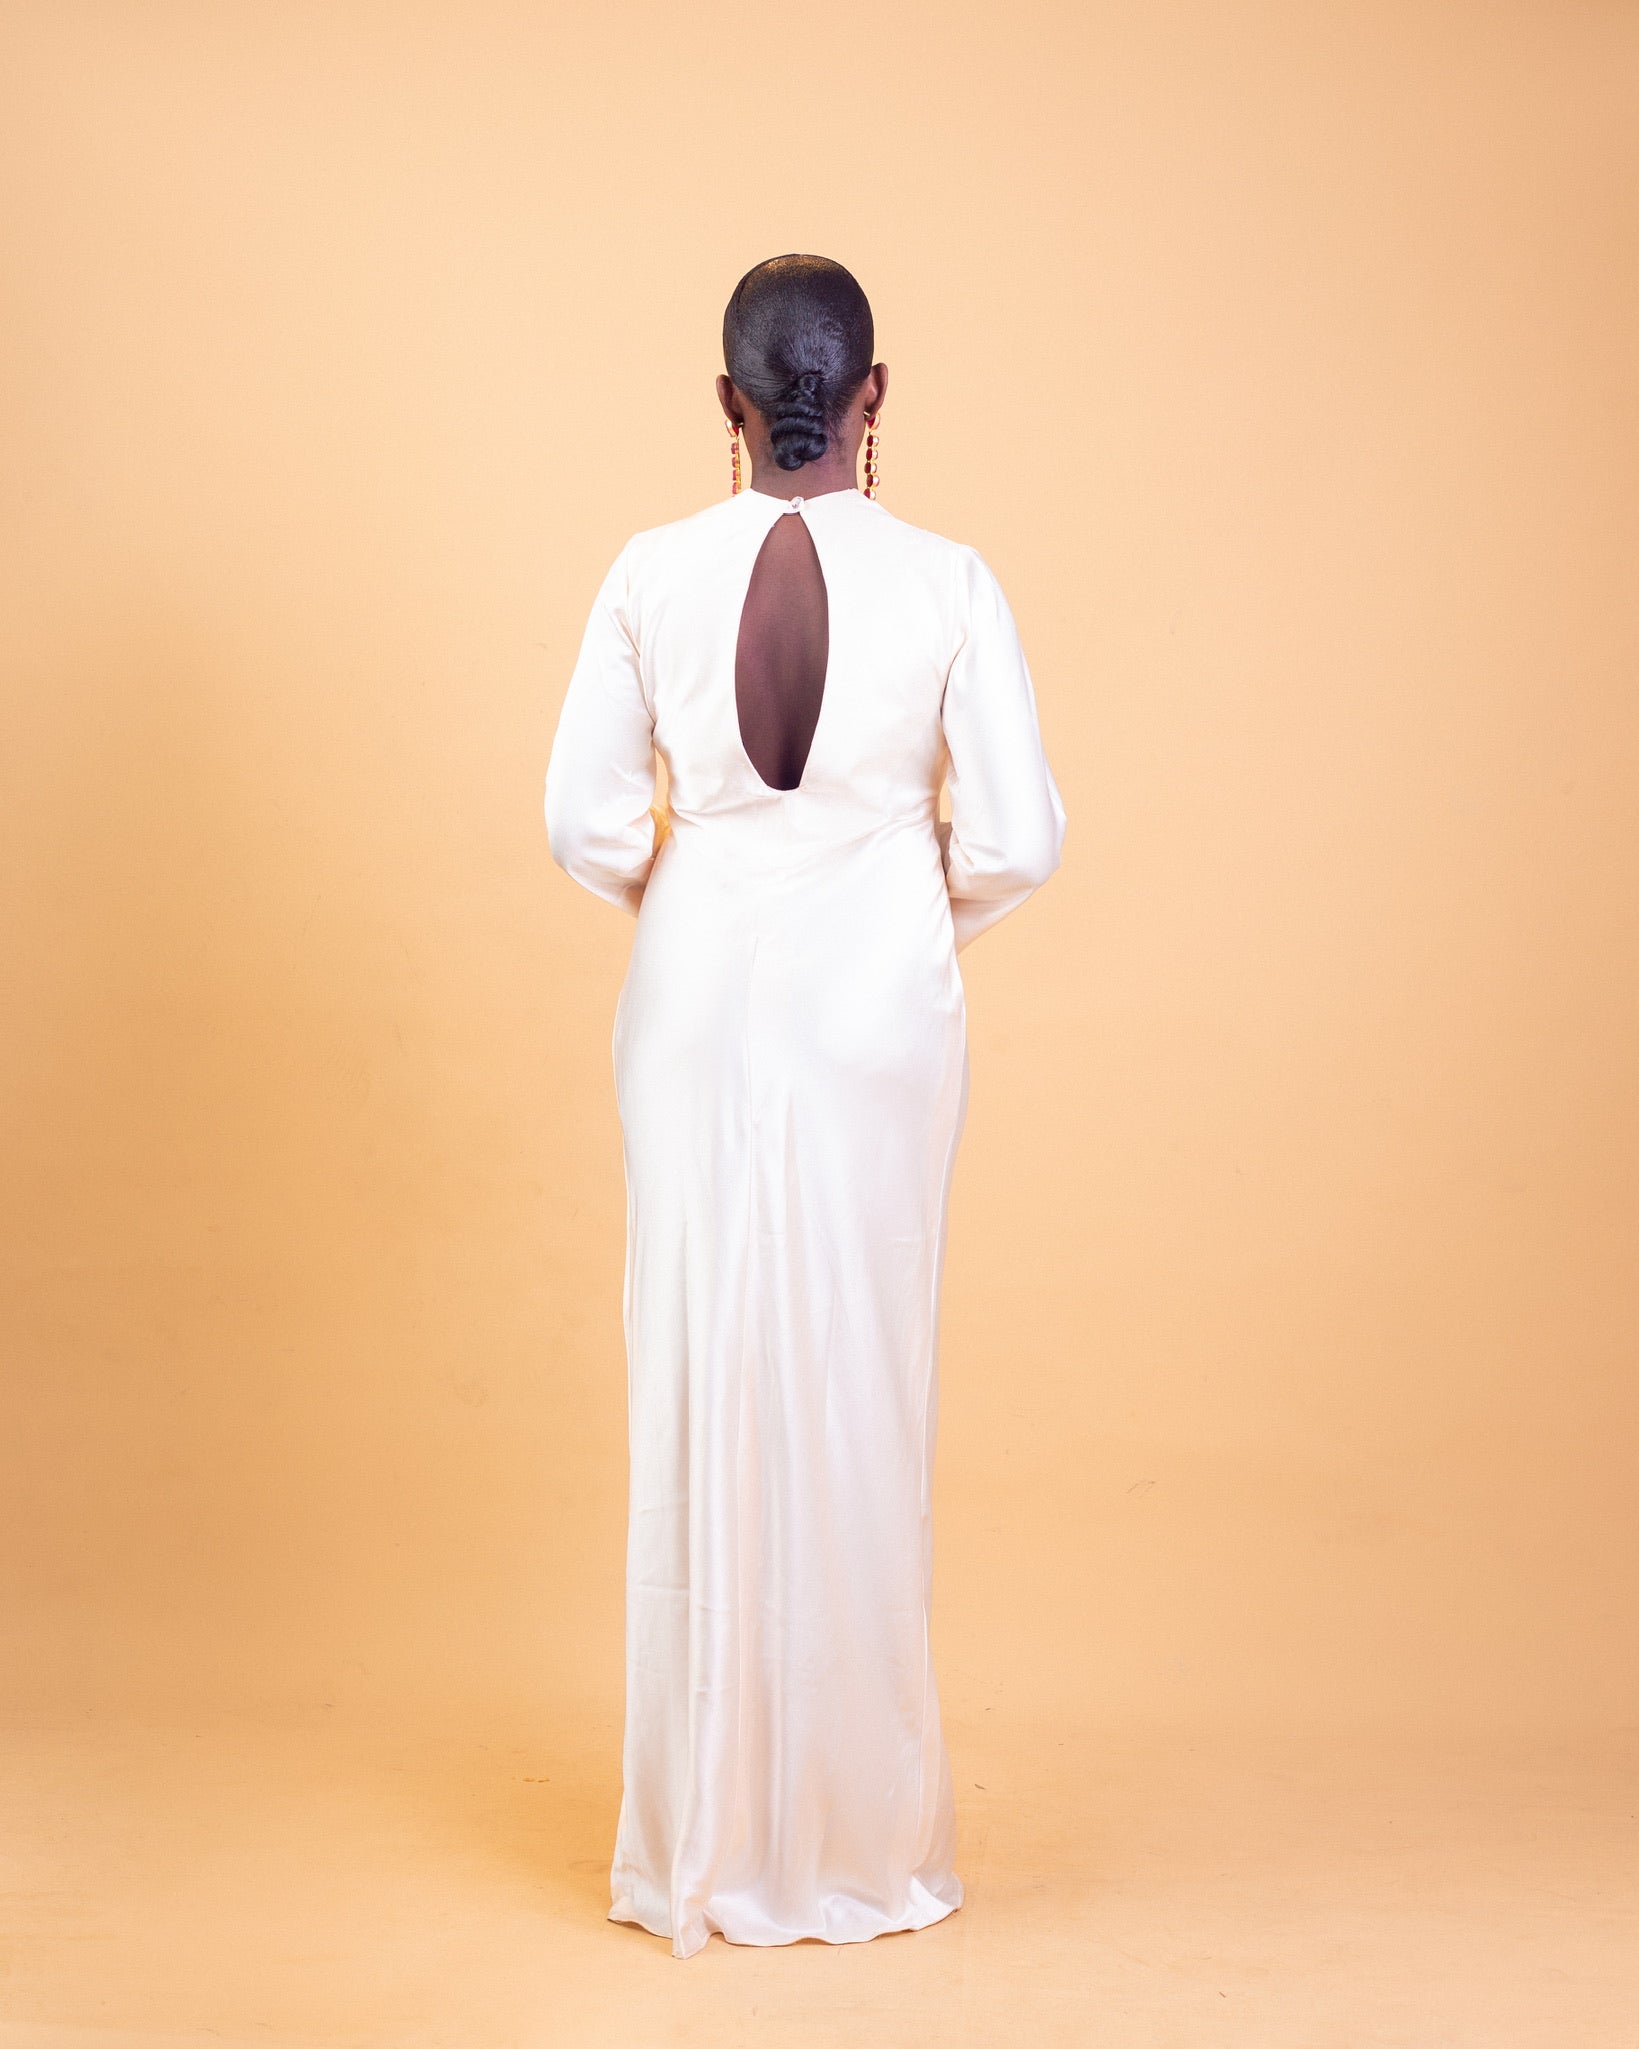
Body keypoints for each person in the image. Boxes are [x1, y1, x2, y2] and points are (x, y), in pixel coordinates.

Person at [544, 254, 1066, 1959]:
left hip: (693, 997)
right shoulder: (949, 581)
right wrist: (893, 908)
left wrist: (701, 901)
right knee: (857, 1384)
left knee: (699, 1373)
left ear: (727, 401)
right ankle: (861, 1848)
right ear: (872, 395)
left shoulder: (648, 572)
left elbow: (583, 821)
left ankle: (695, 1849)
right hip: (874, 1005)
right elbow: (1017, 838)